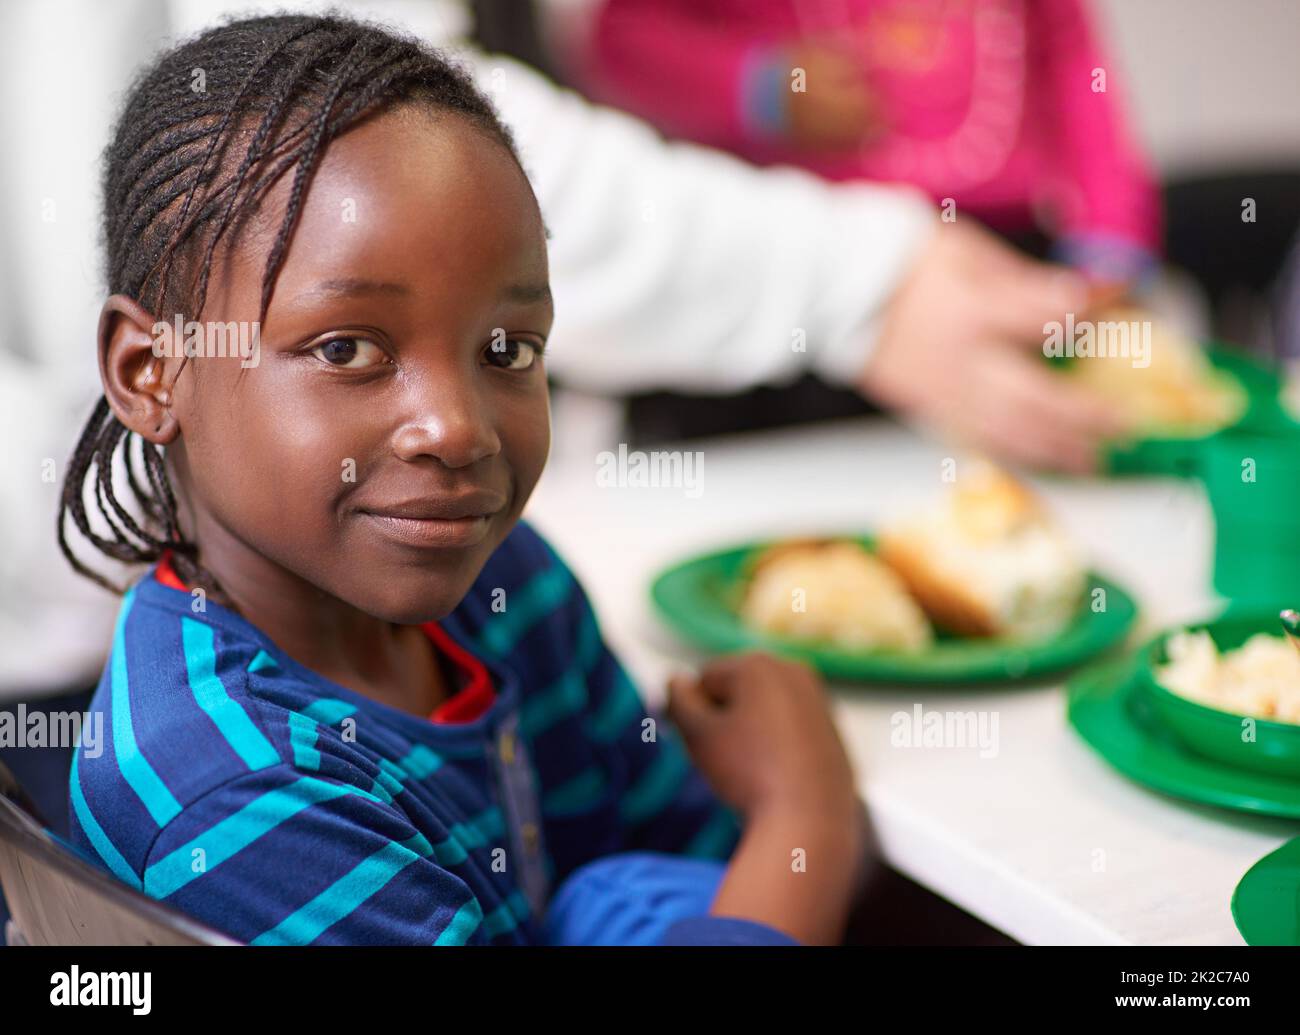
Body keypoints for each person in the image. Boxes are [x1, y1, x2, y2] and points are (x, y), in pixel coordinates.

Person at [63, 12, 869, 946]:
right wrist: (810, 819)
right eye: (347, 347)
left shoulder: (502, 580)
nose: (457, 428)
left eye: (506, 348)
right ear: (148, 371)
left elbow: (683, 850)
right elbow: (758, 872)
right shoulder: (228, 791)